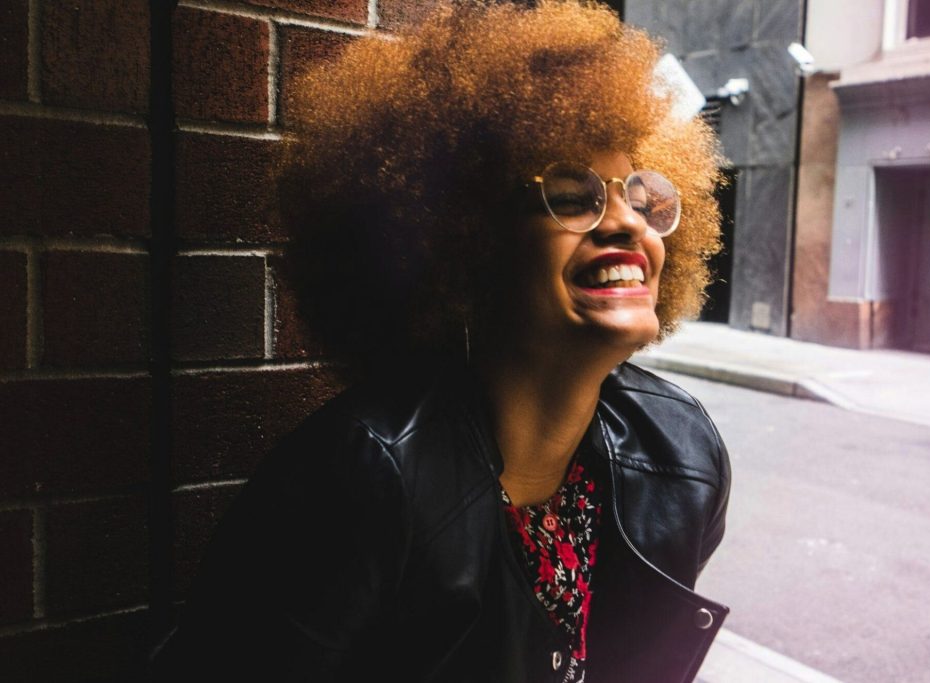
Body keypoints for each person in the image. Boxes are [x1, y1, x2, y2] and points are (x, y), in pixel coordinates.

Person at [152, 2, 730, 681]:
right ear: (467, 245)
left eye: (640, 196)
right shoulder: (361, 480)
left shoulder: (682, 456)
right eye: (573, 196)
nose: (627, 224)